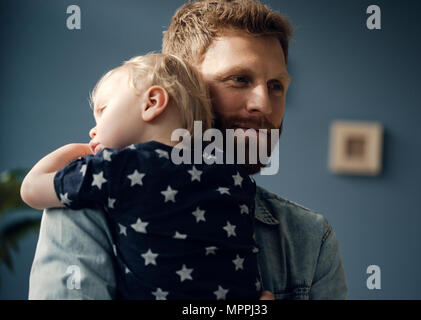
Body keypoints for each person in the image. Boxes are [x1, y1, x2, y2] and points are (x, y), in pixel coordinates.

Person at [29, 0, 347, 300]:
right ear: (180, 84)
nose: (264, 104)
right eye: (238, 79)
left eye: (276, 86)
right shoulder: (85, 209)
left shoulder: (311, 237)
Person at [21, 52, 263, 300]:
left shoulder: (118, 167)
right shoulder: (235, 175)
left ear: (152, 102)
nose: (93, 130)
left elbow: (30, 189)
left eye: (102, 111)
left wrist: (78, 150)